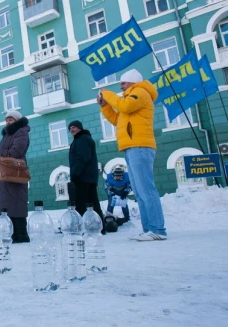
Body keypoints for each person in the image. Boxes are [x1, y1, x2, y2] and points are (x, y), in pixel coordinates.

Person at [99, 69, 167, 241]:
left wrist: (106, 94)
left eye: (123, 83)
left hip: (140, 145)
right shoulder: (128, 98)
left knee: (146, 189)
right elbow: (117, 119)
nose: (120, 87)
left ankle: (158, 229)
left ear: (132, 82)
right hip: (131, 146)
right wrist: (105, 106)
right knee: (139, 191)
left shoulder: (140, 92)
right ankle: (149, 229)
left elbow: (124, 106)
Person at [0, 111, 30, 243]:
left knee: (17, 201)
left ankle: (21, 234)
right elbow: (2, 151)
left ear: (17, 120)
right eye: (7, 119)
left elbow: (17, 150)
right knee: (8, 203)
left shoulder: (21, 132)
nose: (8, 121)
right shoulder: (7, 134)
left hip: (15, 171)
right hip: (5, 171)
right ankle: (14, 233)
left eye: (11, 119)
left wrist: (0, 155)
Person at [67, 120, 105, 227]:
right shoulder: (83, 139)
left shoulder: (82, 139)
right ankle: (99, 226)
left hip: (82, 177)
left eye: (73, 127)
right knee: (92, 203)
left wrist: (75, 174)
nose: (71, 130)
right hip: (88, 177)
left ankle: (82, 226)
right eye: (70, 128)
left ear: (80, 128)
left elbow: (83, 158)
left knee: (81, 204)